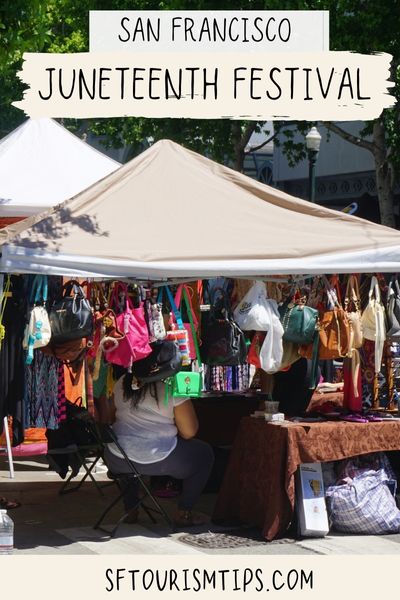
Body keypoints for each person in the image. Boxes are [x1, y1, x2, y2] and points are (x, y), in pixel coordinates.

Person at [104, 371, 214, 527]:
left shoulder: (122, 381)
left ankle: (131, 509)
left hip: (117, 459)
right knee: (205, 454)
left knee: (128, 454)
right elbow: (189, 432)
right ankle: (184, 512)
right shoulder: (172, 386)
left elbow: (110, 417)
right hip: (161, 459)